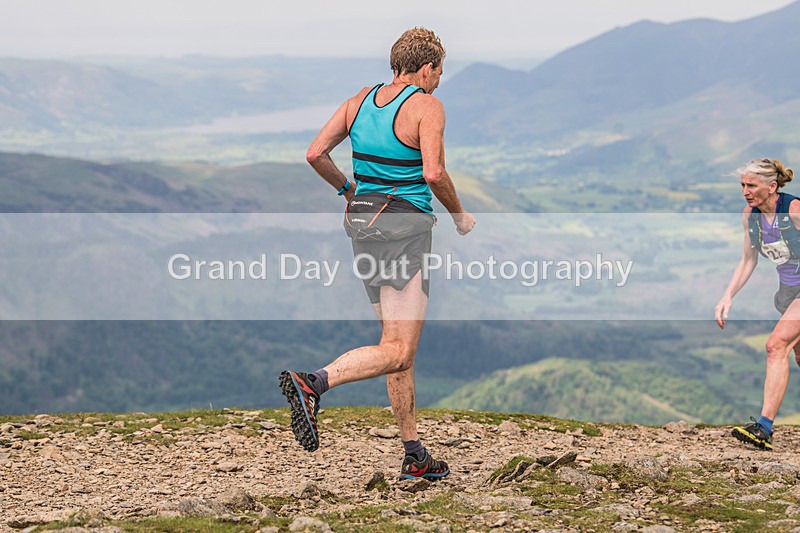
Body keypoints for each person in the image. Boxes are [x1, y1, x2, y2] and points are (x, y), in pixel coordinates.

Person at [279, 27, 475, 479]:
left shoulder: (359, 101)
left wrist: (349, 190)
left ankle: (415, 455)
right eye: (440, 72)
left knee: (394, 344)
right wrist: (460, 214)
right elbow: (434, 171)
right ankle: (315, 382)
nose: (439, 80)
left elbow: (315, 153)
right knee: (401, 349)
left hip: (365, 228)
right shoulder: (427, 107)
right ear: (426, 69)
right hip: (405, 229)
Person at [716, 158, 799, 451]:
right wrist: (728, 296)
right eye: (742, 185)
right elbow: (748, 259)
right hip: (789, 293)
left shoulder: (793, 210)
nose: (745, 191)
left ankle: (763, 428)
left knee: (775, 345)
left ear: (772, 186)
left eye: (751, 185)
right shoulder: (750, 216)